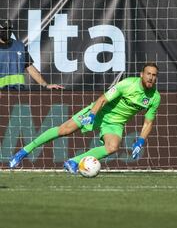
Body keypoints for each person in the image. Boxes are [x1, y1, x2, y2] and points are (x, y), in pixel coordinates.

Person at [9, 62, 161, 173]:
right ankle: (24, 151)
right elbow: (102, 99)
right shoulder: (127, 84)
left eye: (154, 75)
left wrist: (140, 141)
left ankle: (73, 162)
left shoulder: (155, 97)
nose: (151, 78)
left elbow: (148, 122)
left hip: (115, 124)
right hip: (98, 112)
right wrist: (92, 115)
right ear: (142, 74)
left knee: (113, 147)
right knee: (64, 130)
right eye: (148, 74)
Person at [0, 19, 64, 90]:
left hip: (18, 93)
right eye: (4, 29)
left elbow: (30, 68)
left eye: (9, 29)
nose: (7, 32)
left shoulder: (19, 46)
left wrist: (45, 85)